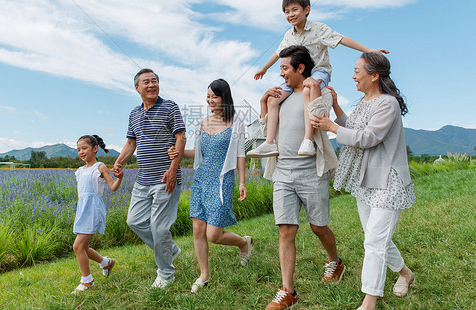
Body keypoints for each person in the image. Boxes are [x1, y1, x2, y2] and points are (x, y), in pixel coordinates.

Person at [311, 52, 416, 310]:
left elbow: (368, 137)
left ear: (374, 75)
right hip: (366, 180)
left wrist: (331, 127)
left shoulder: (388, 104)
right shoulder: (364, 102)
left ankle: (369, 301)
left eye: (358, 71)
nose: (353, 75)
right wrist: (335, 107)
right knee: (374, 237)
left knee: (374, 241)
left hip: (388, 181)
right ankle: (405, 273)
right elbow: (353, 127)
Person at [249, 0, 388, 159]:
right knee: (273, 98)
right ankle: (270, 142)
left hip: (318, 72)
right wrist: (264, 68)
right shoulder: (288, 35)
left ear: (306, 10)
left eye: (294, 10)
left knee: (309, 88)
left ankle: (308, 140)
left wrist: (369, 50)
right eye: (286, 12)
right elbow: (278, 53)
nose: (290, 15)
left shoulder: (318, 29)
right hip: (296, 75)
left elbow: (341, 39)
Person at [260, 46, 343, 310]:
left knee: (318, 227)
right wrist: (264, 103)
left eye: (285, 68)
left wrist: (315, 88)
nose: (281, 73)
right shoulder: (280, 97)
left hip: (311, 171)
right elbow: (266, 131)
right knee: (286, 230)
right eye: (280, 68)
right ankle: (288, 291)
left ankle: (335, 261)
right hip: (283, 171)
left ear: (300, 69)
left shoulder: (321, 92)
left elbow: (320, 117)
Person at [168, 79, 252, 294]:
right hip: (201, 179)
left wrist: (242, 182)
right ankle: (204, 275)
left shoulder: (236, 123)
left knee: (214, 234)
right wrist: (179, 153)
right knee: (198, 229)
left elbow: (240, 155)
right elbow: (198, 153)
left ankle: (243, 243)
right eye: (208, 96)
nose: (210, 100)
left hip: (222, 180)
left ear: (225, 97)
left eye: (214, 96)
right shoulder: (202, 123)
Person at [112, 68, 186, 289]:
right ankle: (169, 249)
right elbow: (131, 143)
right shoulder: (134, 114)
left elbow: (180, 137)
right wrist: (119, 161)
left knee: (159, 228)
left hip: (165, 177)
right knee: (134, 221)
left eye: (155, 81)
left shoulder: (169, 106)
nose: (152, 85)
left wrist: (173, 169)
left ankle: (166, 273)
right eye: (146, 82)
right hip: (142, 180)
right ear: (137, 88)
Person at [71, 134, 123, 294]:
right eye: (78, 149)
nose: (81, 152)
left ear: (95, 149)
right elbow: (81, 195)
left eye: (84, 148)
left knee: (77, 246)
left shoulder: (99, 167)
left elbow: (113, 186)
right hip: (82, 210)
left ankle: (87, 281)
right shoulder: (79, 171)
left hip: (94, 210)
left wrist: (119, 178)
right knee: (84, 247)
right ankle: (106, 262)